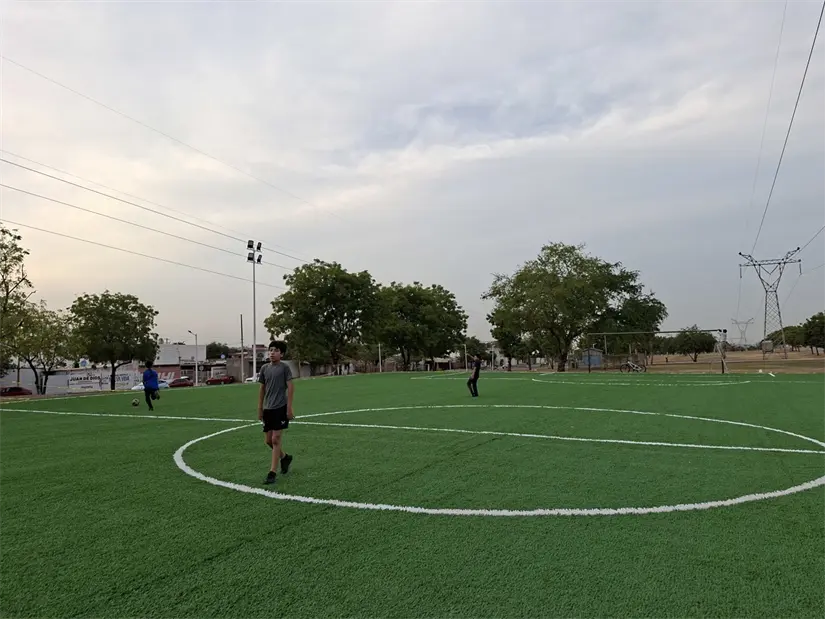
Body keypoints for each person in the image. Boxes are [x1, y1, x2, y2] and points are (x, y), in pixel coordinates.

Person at [258, 340, 295, 485]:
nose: (272, 353)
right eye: (270, 350)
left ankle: (272, 472)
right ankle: (285, 457)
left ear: (282, 353)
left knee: (275, 439)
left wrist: (289, 408)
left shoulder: (284, 368)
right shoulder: (264, 369)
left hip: (280, 407)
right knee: (268, 441)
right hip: (268, 409)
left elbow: (291, 387)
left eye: (276, 350)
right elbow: (262, 389)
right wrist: (260, 408)